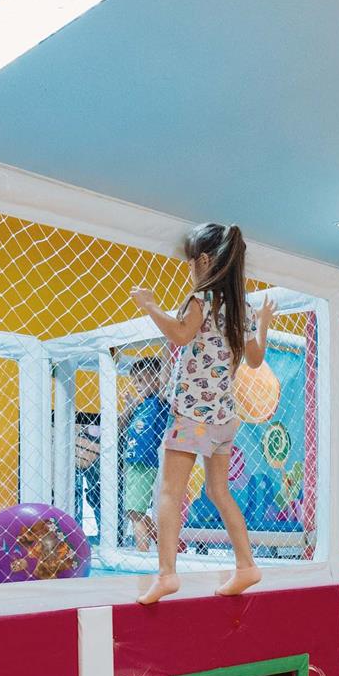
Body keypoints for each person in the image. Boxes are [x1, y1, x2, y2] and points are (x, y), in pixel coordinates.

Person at [129, 222, 273, 603]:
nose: (190, 269)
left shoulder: (202, 299)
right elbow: (255, 360)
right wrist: (263, 326)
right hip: (224, 421)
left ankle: (166, 574)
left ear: (204, 261)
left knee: (169, 491)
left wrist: (150, 306)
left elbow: (180, 334)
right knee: (218, 490)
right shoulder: (240, 310)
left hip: (193, 417)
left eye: (191, 262)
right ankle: (247, 565)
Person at [118, 354, 174, 551]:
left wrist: (168, 346)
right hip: (132, 462)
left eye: (141, 380)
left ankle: (142, 554)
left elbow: (165, 374)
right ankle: (163, 542)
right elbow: (119, 424)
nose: (137, 385)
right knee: (134, 510)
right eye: (135, 381)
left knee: (135, 512)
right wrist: (130, 406)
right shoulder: (141, 404)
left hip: (144, 461)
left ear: (157, 379)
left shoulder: (159, 401)